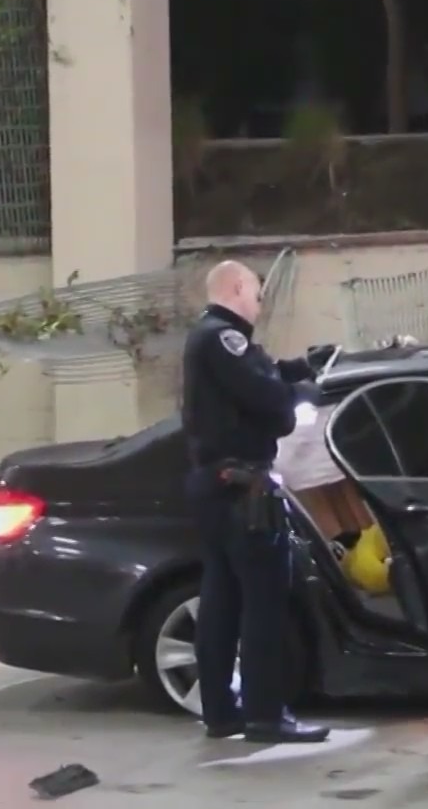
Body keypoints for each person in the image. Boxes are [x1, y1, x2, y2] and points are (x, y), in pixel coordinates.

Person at [181, 260, 334, 744]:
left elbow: (258, 375)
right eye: (257, 294)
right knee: (264, 605)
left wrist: (302, 366)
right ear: (238, 287)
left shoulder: (211, 338)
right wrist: (301, 393)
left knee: (222, 601)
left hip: (216, 486)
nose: (259, 303)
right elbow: (268, 399)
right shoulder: (224, 337)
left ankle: (222, 714)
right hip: (243, 489)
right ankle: (267, 715)